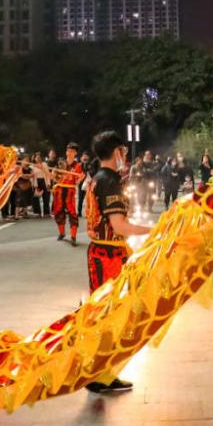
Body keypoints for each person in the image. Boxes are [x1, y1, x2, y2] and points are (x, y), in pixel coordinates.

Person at [81, 130, 149, 394]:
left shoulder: (99, 178)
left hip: (106, 252)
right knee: (108, 315)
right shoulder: (109, 181)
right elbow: (119, 225)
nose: (125, 156)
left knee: (108, 313)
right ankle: (98, 374)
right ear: (118, 152)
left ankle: (105, 373)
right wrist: (154, 230)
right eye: (123, 151)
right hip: (107, 255)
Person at [52, 143, 85, 245]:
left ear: (75, 153)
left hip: (70, 192)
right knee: (58, 211)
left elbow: (77, 180)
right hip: (60, 190)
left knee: (72, 213)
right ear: (66, 151)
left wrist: (80, 179)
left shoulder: (78, 166)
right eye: (68, 150)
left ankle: (73, 236)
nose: (70, 152)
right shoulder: (60, 164)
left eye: (72, 151)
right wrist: (54, 173)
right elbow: (55, 177)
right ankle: (62, 233)